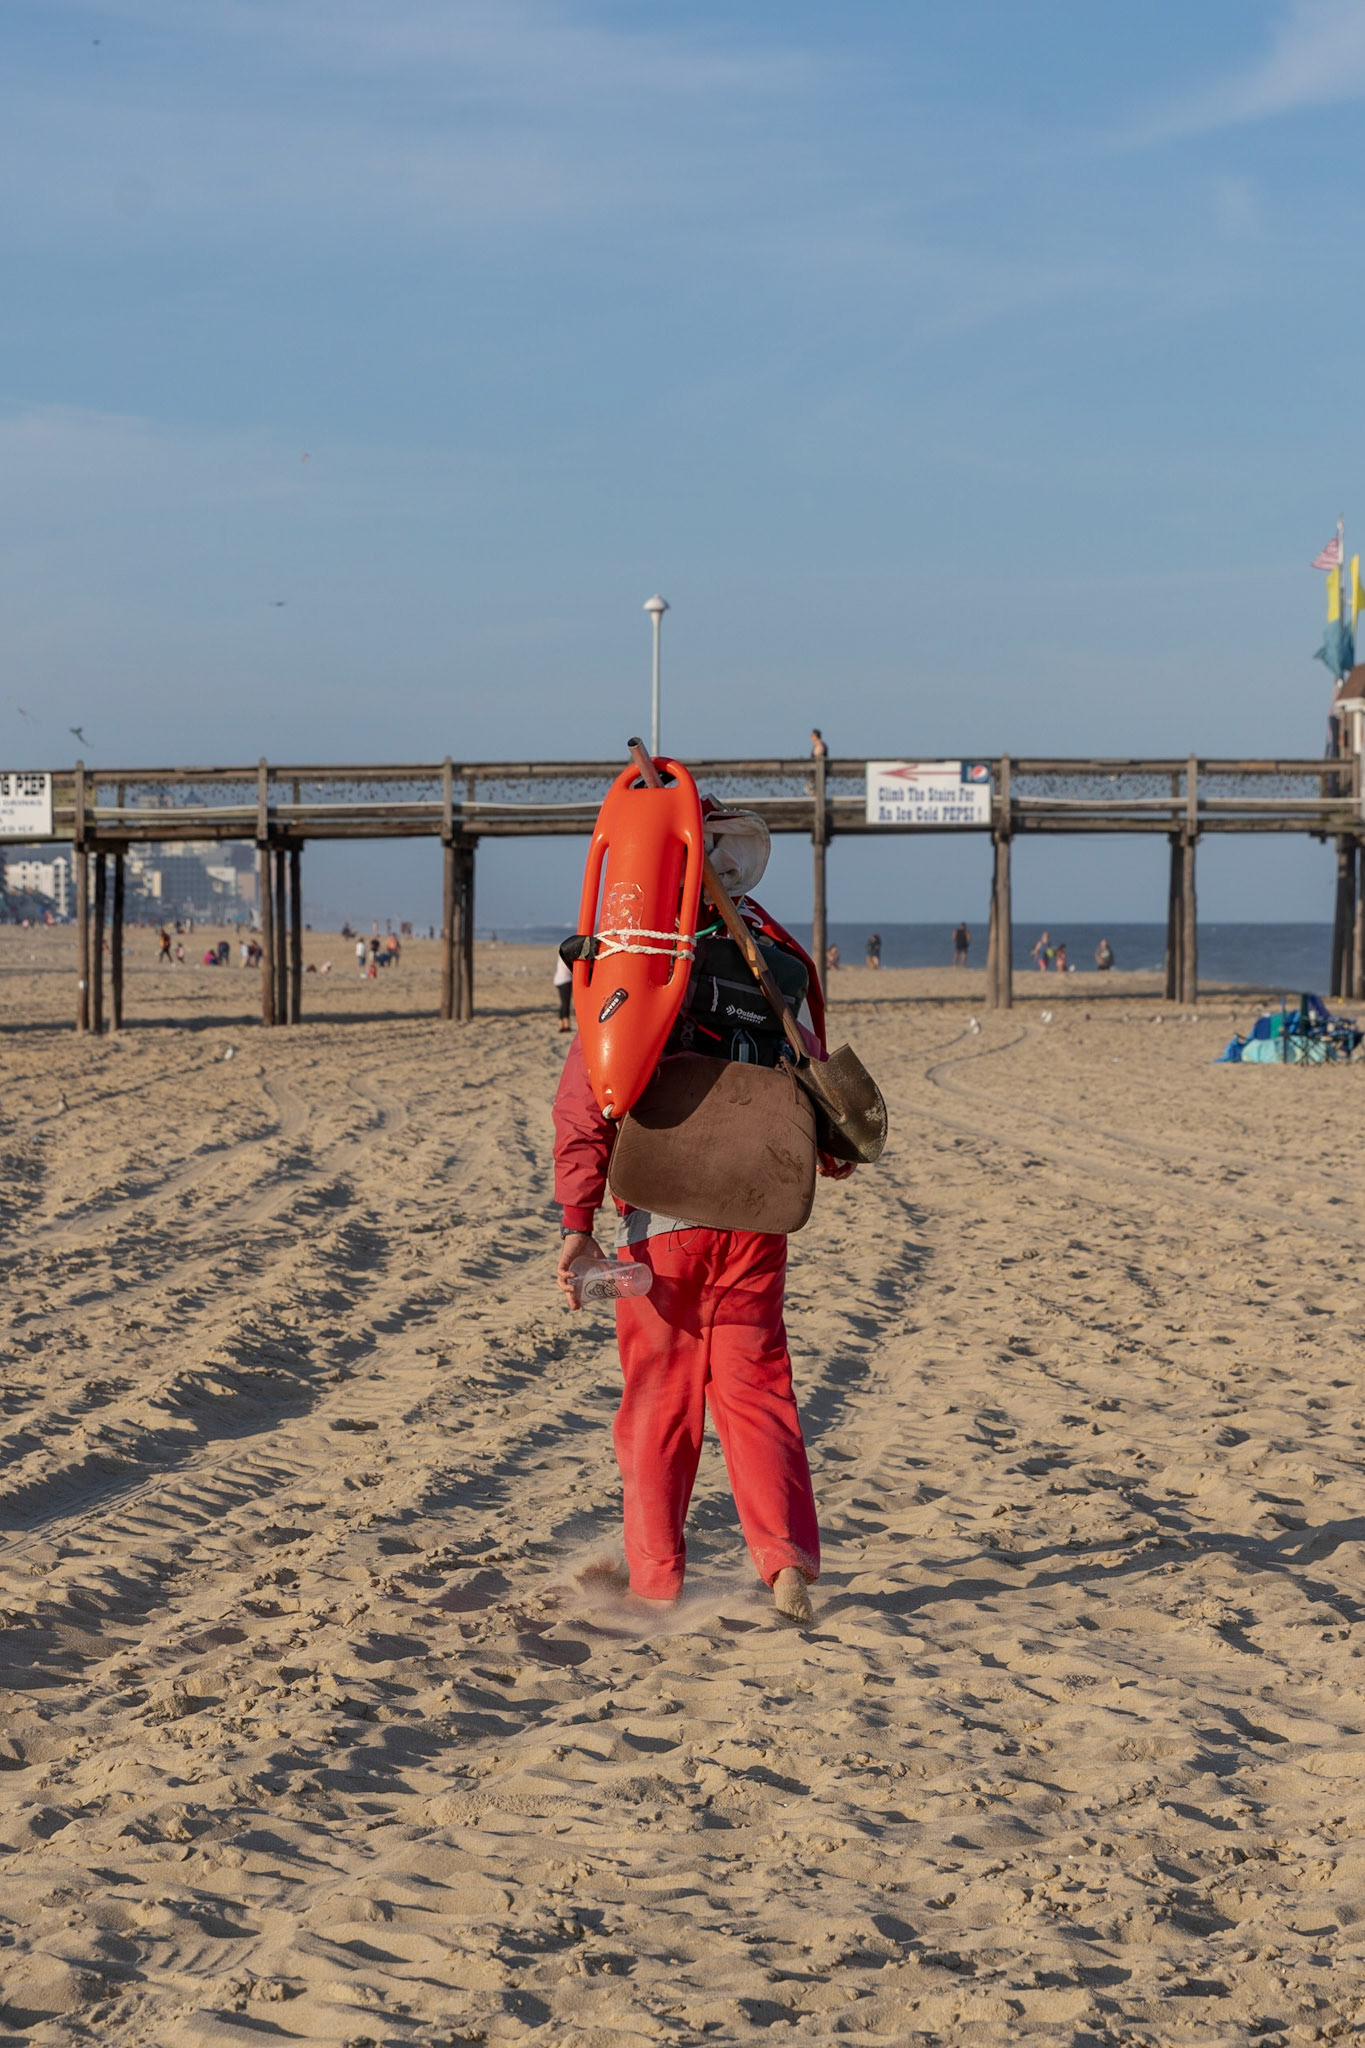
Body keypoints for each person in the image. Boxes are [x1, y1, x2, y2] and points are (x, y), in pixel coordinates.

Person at [553, 798, 853, 1625]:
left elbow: (586, 1102)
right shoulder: (780, 958)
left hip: (664, 1215)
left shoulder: (642, 959)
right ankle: (783, 1560)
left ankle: (655, 1582)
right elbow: (816, 1075)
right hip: (758, 1211)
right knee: (758, 1392)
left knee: (659, 1402)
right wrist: (827, 1158)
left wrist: (576, 1226)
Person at [554, 948, 574, 1032]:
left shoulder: (560, 956)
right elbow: (570, 970)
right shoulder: (566, 958)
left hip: (558, 980)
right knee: (566, 1003)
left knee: (563, 1004)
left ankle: (561, 1024)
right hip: (565, 981)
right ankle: (566, 1025)